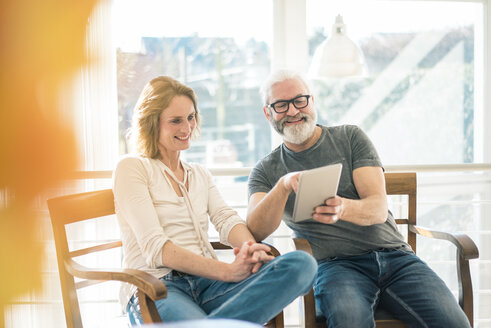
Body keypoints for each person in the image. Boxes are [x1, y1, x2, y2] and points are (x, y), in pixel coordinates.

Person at [246, 69, 471, 328]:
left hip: (396, 258)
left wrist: (341, 208)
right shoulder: (265, 170)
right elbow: (255, 229)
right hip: (335, 267)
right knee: (349, 321)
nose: (293, 111)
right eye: (281, 105)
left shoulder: (350, 138)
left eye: (299, 100)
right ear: (268, 112)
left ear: (312, 100)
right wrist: (283, 185)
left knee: (455, 323)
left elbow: (377, 208)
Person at [113, 76, 317, 325]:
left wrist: (249, 248)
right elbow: (157, 248)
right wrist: (227, 270)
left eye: (190, 117)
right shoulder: (132, 168)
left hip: (210, 285)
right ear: (151, 124)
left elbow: (226, 219)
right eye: (175, 120)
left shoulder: (199, 173)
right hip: (158, 288)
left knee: (301, 264)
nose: (186, 128)